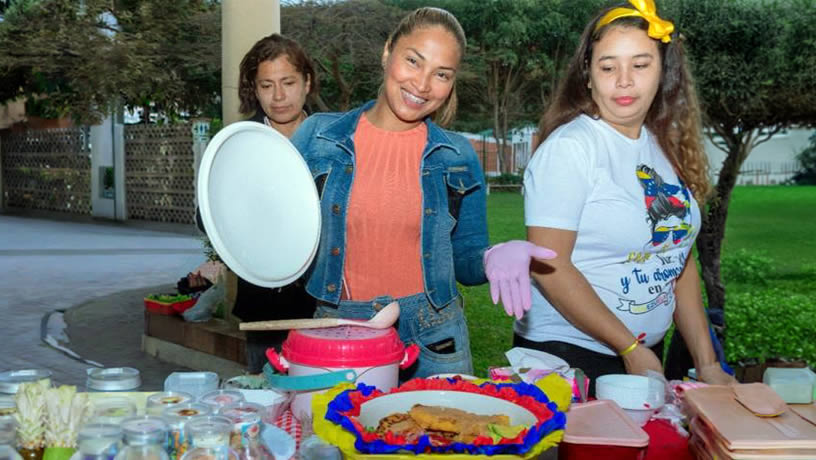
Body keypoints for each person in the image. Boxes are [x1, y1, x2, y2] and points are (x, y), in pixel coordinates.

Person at [290, 7, 553, 379]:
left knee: (444, 436)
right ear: (387, 53)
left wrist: (492, 256)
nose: (423, 84)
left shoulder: (457, 155)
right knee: (334, 437)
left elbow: (465, 261)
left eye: (441, 74)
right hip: (341, 327)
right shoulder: (317, 137)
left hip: (435, 334)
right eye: (413, 61)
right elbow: (271, 225)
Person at [514, 0, 735, 390]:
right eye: (608, 66)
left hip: (643, 352)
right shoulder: (572, 148)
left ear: (663, 72)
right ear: (588, 76)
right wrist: (629, 346)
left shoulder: (663, 145)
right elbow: (551, 267)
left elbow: (677, 260)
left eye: (640, 64)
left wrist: (707, 363)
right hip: (572, 356)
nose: (624, 80)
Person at [197, 33, 318, 373]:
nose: (278, 96)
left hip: (327, 307)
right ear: (255, 89)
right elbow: (208, 217)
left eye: (288, 82)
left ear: (306, 83)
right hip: (266, 312)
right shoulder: (238, 146)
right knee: (267, 407)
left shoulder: (332, 140)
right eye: (266, 85)